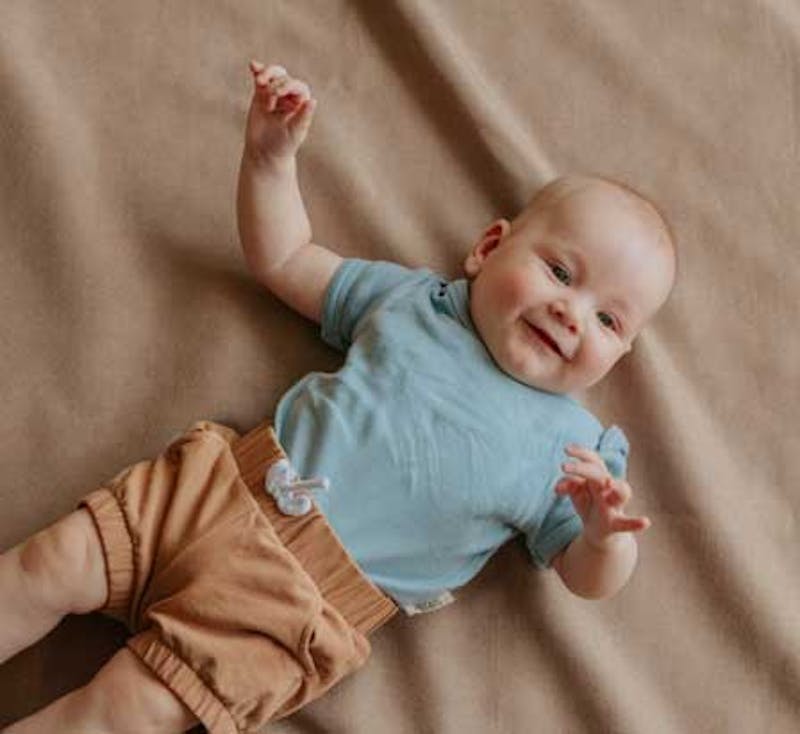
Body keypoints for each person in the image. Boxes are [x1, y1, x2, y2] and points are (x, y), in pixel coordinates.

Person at [0, 60, 676, 733]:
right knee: (46, 564)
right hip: (216, 491)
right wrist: (269, 162)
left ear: (620, 355)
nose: (571, 312)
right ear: (489, 247)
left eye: (609, 320)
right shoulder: (415, 303)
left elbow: (589, 579)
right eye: (559, 271)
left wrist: (603, 536)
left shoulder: (570, 452)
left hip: (296, 607)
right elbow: (286, 258)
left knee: (122, 712)